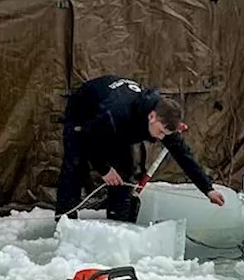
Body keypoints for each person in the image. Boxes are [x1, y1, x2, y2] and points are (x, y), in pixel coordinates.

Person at [56, 75, 225, 220]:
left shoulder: (163, 118)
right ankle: (65, 222)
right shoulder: (115, 112)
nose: (161, 138)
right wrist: (103, 169)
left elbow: (183, 155)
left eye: (165, 134)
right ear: (152, 117)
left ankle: (118, 221)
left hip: (119, 126)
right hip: (84, 113)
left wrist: (208, 189)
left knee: (125, 170)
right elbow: (89, 138)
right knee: (75, 165)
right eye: (160, 132)